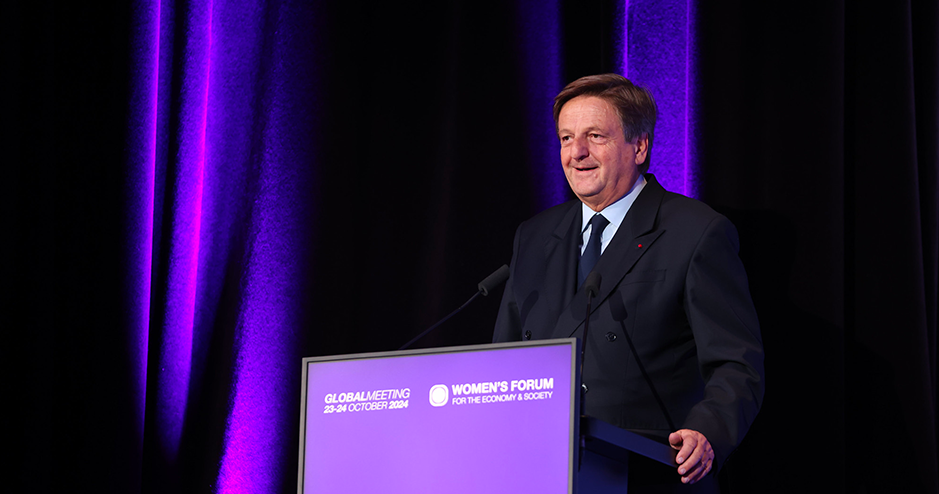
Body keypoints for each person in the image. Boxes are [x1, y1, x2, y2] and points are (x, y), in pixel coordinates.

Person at [492, 74, 764, 492]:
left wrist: (708, 432)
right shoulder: (534, 235)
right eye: (566, 138)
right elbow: (503, 361)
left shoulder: (695, 232)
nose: (576, 153)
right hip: (540, 468)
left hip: (647, 471)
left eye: (595, 136)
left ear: (639, 147)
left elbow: (736, 362)